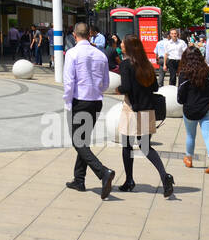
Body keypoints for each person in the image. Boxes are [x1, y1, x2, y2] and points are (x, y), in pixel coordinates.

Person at [62, 22, 115, 199]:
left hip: (80, 101)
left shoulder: (72, 53)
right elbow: (106, 82)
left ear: (75, 35)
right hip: (95, 101)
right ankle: (79, 179)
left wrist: (67, 103)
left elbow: (69, 82)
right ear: (90, 35)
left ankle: (103, 172)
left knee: (78, 142)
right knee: (83, 140)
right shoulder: (100, 54)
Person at [117, 35, 173, 197]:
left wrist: (119, 89)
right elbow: (155, 86)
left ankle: (129, 180)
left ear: (128, 48)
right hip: (148, 109)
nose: (121, 47)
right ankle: (164, 176)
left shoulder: (126, 65)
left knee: (127, 145)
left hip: (132, 110)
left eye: (122, 45)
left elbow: (126, 86)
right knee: (146, 146)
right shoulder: (147, 64)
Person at [177, 46, 209, 174]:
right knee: (208, 136)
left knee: (190, 135)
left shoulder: (184, 73)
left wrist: (183, 101)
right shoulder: (206, 71)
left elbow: (180, 94)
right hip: (206, 107)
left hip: (190, 108)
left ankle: (189, 158)